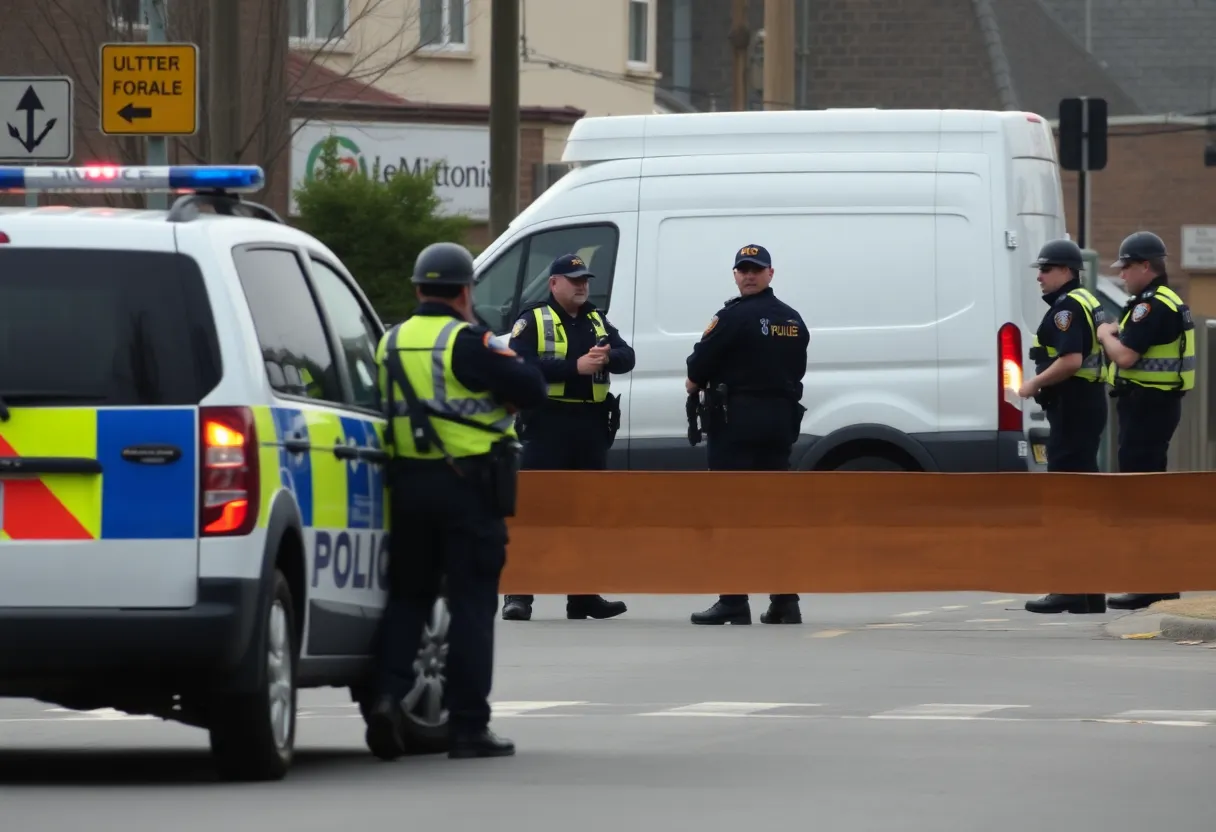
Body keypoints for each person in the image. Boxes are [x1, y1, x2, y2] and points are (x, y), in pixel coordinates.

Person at [364, 241, 548, 761]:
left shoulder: (389, 341)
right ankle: (468, 727)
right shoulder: (466, 341)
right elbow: (531, 387)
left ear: (419, 288)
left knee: (408, 599)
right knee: (470, 606)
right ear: (465, 291)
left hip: (406, 487)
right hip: (468, 489)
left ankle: (386, 698)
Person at [501, 253, 636, 622]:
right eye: (574, 279)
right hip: (546, 425)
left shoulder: (596, 318)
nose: (581, 285)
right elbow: (518, 362)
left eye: (585, 279)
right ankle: (519, 595)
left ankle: (583, 595)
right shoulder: (533, 319)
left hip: (590, 426)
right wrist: (574, 368)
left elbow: (628, 356)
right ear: (554, 283)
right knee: (537, 510)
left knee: (585, 514)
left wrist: (608, 358)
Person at [687, 244, 810, 626]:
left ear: (770, 274)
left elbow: (697, 368)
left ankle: (733, 599)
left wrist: (696, 384)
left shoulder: (732, 317)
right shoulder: (792, 320)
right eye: (743, 269)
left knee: (731, 511)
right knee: (775, 514)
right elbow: (798, 370)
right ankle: (785, 601)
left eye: (755, 270)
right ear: (736, 274)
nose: (749, 275)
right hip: (779, 425)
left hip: (736, 425)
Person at [1096, 230, 1194, 611]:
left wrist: (1105, 333)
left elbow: (1125, 357)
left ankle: (1152, 584)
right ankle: (1159, 582)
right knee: (1149, 496)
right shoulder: (1166, 301)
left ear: (1145, 266)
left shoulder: (1150, 306)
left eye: (1126, 268)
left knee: (1141, 497)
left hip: (1147, 408)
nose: (1122, 275)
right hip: (1155, 406)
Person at [1018, 239, 1109, 615]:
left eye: (1046, 269)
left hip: (1072, 409)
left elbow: (1070, 360)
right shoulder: (1088, 300)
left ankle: (1068, 589)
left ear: (1067, 272)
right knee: (1083, 500)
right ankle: (1089, 594)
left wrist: (1033, 384)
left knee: (1067, 499)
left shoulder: (1067, 308)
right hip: (1085, 408)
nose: (1039, 276)